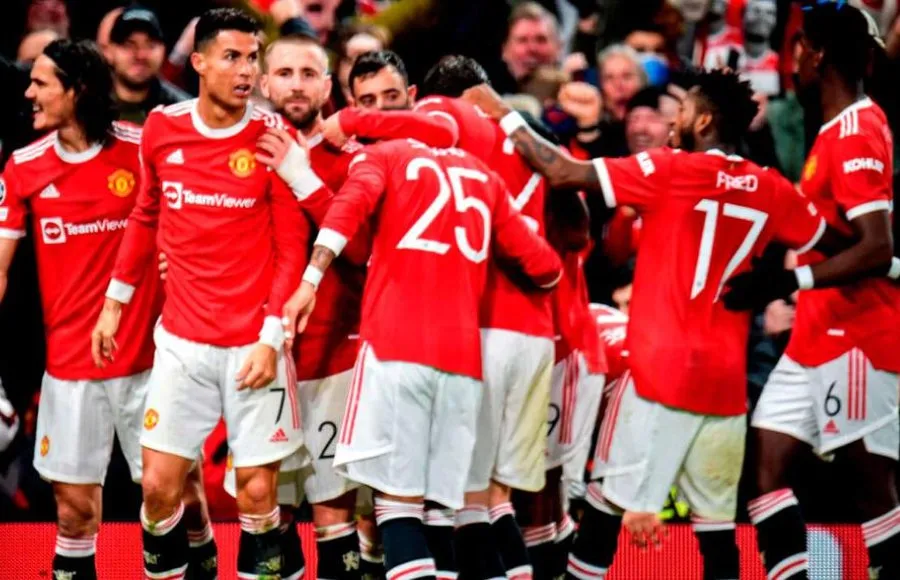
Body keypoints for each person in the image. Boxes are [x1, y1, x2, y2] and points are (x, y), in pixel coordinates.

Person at [460, 68, 895, 579]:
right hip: (725, 390)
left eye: (682, 112)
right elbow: (844, 243)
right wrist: (878, 266)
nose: (672, 123)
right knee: (715, 534)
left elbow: (560, 171)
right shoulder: (773, 188)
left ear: (704, 120)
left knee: (603, 518)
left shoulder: (668, 169)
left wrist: (499, 109)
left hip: (657, 379)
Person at [279, 135, 563, 580]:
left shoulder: (385, 156)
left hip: (396, 351)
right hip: (465, 365)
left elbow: (348, 210)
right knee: (443, 513)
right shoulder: (481, 175)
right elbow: (546, 267)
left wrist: (311, 277)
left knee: (397, 505)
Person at [91, 9, 308, 579]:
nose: (245, 70)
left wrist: (271, 337)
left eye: (252, 56)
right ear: (200, 62)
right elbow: (145, 215)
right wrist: (115, 302)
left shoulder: (272, 138)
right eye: (232, 56)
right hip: (182, 344)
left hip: (253, 346)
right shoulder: (163, 128)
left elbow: (291, 250)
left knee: (259, 497)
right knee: (160, 491)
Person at [0, 38, 216, 580]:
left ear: (79, 90)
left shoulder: (142, 150)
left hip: (152, 359)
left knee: (177, 492)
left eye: (42, 82)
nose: (29, 93)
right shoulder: (23, 167)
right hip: (71, 367)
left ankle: (203, 557)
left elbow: (193, 218)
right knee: (73, 513)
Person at [747, 4, 900, 580]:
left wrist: (791, 279)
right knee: (766, 468)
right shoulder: (832, 131)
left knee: (869, 490)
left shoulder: (859, 129)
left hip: (858, 336)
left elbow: (875, 246)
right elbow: (842, 239)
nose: (793, 65)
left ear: (817, 53)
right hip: (815, 334)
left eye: (798, 51)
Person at [105, 5, 192, 125]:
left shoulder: (184, 113)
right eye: (129, 45)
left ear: (164, 50)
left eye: (150, 45)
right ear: (109, 51)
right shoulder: (86, 107)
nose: (141, 55)